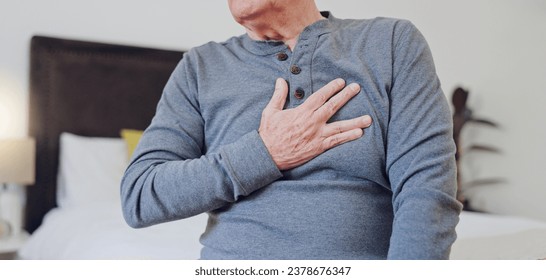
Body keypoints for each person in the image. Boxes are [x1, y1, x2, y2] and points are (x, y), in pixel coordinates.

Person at [120, 0, 462, 259]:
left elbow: (426, 190)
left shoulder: (391, 43)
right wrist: (265, 153)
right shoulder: (199, 67)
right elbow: (140, 196)